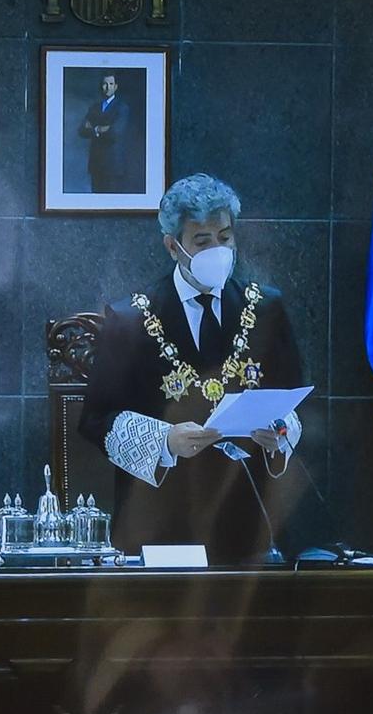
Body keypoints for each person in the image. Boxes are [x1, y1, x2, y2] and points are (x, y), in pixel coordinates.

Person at [80, 173, 307, 563]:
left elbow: (295, 402)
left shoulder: (266, 309)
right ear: (173, 246)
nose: (218, 250)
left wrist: (280, 434)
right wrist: (165, 441)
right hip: (161, 516)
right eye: (202, 242)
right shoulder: (130, 319)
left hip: (245, 513)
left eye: (225, 237)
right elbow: (97, 420)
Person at [77, 72, 140, 194]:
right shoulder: (94, 107)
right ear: (101, 86)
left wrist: (93, 128)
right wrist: (100, 129)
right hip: (96, 163)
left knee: (110, 202)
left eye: (111, 84)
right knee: (96, 202)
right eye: (104, 84)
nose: (107, 87)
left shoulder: (122, 107)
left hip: (113, 164)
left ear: (116, 86)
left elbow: (115, 133)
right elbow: (82, 130)